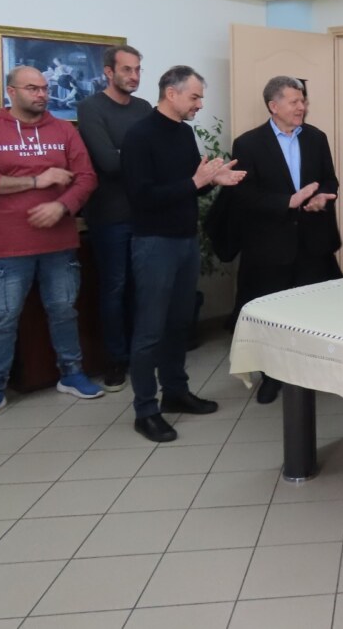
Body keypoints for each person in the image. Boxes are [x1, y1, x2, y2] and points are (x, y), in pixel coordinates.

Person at [0, 66, 103, 425]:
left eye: (44, 88)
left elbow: (87, 177)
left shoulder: (63, 131)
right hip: (8, 247)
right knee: (2, 320)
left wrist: (63, 206)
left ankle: (71, 374)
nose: (42, 94)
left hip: (59, 244)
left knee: (64, 311)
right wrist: (37, 181)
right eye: (32, 88)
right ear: (11, 91)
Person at [121, 66, 245, 443]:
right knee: (150, 331)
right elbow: (142, 197)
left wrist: (212, 181)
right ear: (171, 94)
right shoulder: (139, 136)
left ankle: (175, 391)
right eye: (194, 97)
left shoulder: (184, 133)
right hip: (154, 244)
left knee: (178, 324)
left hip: (185, 241)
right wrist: (195, 181)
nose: (200, 104)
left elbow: (190, 188)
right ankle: (145, 410)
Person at [231, 76, 342, 404]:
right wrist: (288, 202)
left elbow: (330, 180)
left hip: (313, 243)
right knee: (274, 316)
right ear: (273, 105)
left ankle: (313, 369)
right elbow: (245, 196)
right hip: (270, 247)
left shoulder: (316, 138)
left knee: (314, 312)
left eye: (302, 101)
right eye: (294, 101)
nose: (301, 107)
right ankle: (272, 375)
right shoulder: (248, 144)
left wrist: (321, 198)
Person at [76, 44, 152, 392]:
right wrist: (139, 158)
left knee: (142, 287)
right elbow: (108, 163)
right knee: (114, 288)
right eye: (127, 70)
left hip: (145, 212)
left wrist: (130, 155)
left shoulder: (144, 108)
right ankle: (115, 360)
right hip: (110, 215)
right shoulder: (91, 108)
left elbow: (154, 156)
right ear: (108, 72)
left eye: (137, 70)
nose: (134, 76)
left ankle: (140, 355)